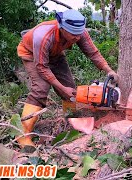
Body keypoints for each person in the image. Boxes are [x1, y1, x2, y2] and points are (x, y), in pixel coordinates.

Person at [16, 9, 118, 148]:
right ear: (62, 28)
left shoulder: (79, 33)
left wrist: (109, 70)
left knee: (69, 87)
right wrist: (61, 88)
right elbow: (42, 67)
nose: (77, 38)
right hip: (31, 54)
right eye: (73, 34)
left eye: (78, 34)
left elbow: (93, 53)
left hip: (55, 55)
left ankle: (71, 120)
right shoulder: (44, 37)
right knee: (41, 88)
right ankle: (23, 134)